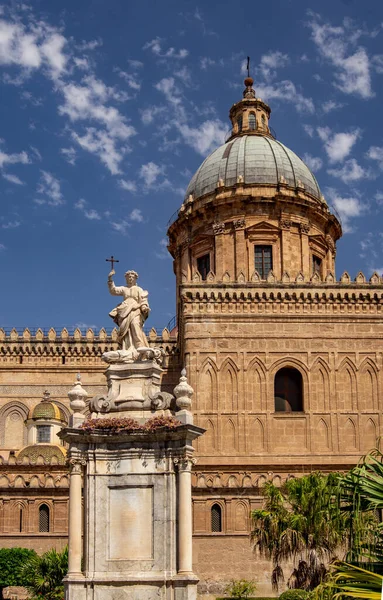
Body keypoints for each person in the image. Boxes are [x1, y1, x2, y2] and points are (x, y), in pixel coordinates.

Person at [107, 269, 150, 361]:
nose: (130, 278)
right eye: (128, 277)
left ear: (135, 279)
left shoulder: (138, 289)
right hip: (125, 310)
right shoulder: (124, 289)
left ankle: (139, 346)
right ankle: (127, 347)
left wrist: (144, 308)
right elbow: (113, 291)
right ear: (126, 279)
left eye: (132, 277)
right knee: (124, 329)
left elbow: (143, 299)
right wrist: (110, 279)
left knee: (135, 325)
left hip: (135, 309)